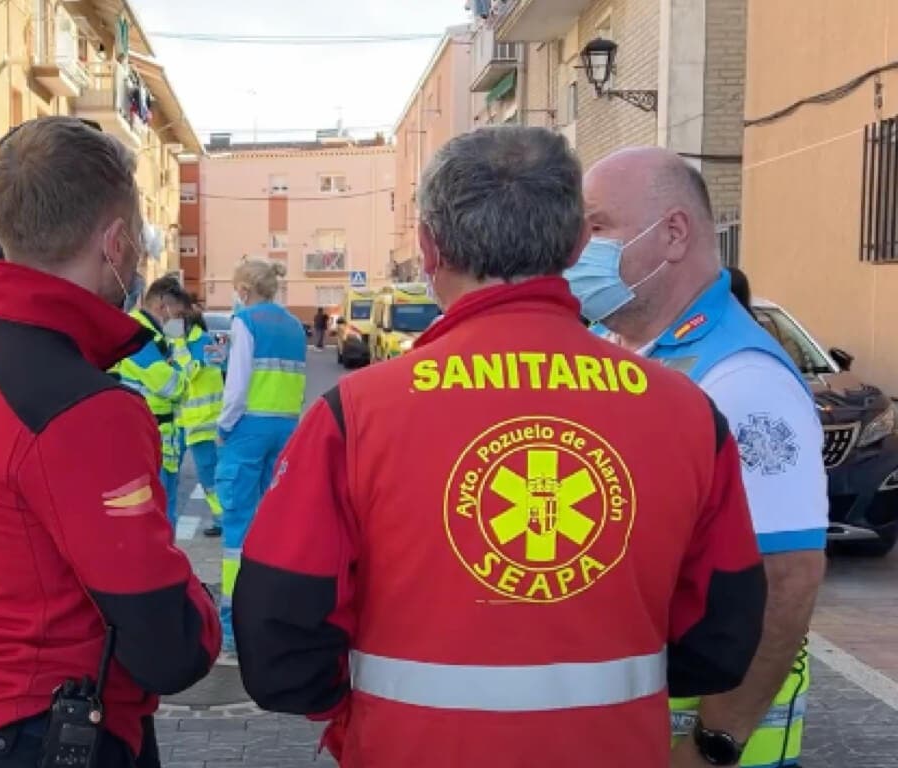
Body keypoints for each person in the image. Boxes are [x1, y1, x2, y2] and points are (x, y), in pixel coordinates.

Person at [231, 127, 767, 768]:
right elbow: (722, 639)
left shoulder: (357, 414)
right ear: (576, 244)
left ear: (428, 248)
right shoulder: (686, 413)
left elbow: (277, 641)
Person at [0, 116, 220, 767]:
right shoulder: (83, 408)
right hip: (53, 733)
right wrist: (202, 606)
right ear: (116, 242)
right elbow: (166, 645)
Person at [565, 146, 827, 768]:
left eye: (597, 227)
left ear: (674, 233)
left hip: (706, 740)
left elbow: (787, 578)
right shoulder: (617, 349)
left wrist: (715, 744)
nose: (578, 252)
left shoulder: (741, 378)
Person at [215, 258, 306, 664]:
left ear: (245, 290)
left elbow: (236, 386)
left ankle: (233, 626)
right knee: (272, 525)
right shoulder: (293, 326)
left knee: (237, 528)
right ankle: (270, 616)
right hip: (285, 429)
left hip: (247, 428)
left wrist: (224, 425)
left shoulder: (245, 321)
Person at [114, 275, 193, 528]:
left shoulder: (154, 336)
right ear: (162, 305)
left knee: (164, 513)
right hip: (148, 439)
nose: (177, 322)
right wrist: (181, 376)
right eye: (176, 315)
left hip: (160, 438)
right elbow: (171, 386)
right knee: (156, 519)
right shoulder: (140, 336)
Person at [168, 293, 225, 538]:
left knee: (208, 474)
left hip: (202, 421)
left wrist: (179, 345)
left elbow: (190, 372)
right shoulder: (190, 342)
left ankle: (221, 519)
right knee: (171, 471)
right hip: (184, 419)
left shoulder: (201, 342)